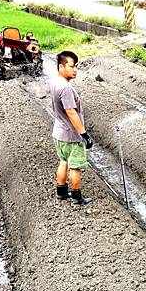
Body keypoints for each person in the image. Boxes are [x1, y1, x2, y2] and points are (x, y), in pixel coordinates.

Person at [49, 50, 94, 205]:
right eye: (71, 66)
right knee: (75, 166)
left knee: (63, 161)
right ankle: (77, 197)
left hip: (58, 132)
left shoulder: (55, 82)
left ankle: (61, 192)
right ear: (61, 67)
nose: (75, 70)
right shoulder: (66, 88)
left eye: (76, 66)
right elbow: (71, 113)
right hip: (71, 136)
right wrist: (84, 134)